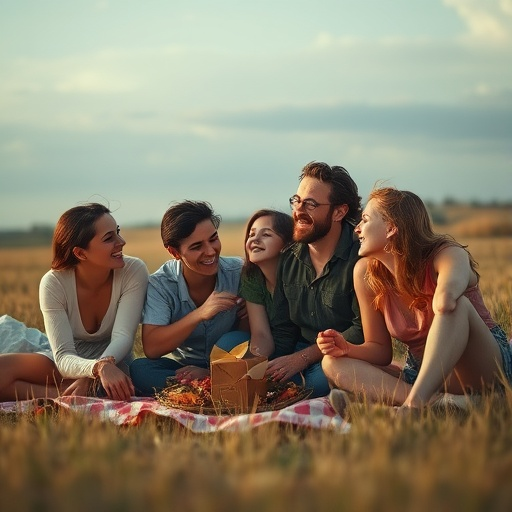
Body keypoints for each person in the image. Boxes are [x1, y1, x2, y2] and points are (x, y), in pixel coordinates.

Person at [318, 186, 512, 415]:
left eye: (365, 220)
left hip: (481, 365)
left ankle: (411, 407)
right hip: (423, 373)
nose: (357, 229)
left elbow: (446, 301)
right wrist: (348, 348)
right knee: (331, 363)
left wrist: (419, 281)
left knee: (456, 305)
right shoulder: (366, 274)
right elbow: (380, 351)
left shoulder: (447, 255)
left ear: (391, 228)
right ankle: (444, 404)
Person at [0, 203, 149, 402]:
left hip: (115, 360)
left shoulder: (133, 270)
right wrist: (95, 370)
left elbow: (123, 337)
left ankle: (82, 393)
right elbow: (62, 355)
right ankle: (68, 395)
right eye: (109, 238)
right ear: (80, 253)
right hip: (70, 362)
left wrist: (102, 368)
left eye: (118, 232)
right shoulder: (54, 283)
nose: (121, 241)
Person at [129, 200, 249, 396]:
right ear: (174, 252)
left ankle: (201, 387)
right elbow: (151, 348)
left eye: (213, 239)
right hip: (184, 367)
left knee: (231, 340)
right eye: (196, 246)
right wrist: (200, 314)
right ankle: (212, 387)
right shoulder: (161, 284)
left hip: (231, 361)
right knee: (140, 369)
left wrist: (250, 313)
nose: (210, 251)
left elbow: (248, 338)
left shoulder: (239, 272)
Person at [268, 161, 365, 398]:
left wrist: (302, 359)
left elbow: (361, 330)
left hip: (346, 356)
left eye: (310, 203)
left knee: (312, 387)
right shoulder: (288, 259)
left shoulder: (360, 259)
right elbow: (284, 328)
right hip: (299, 352)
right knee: (271, 387)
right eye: (296, 200)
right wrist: (272, 367)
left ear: (339, 212)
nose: (299, 210)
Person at [238, 209, 294, 359]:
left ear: (287, 244)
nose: (255, 240)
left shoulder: (298, 277)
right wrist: (245, 367)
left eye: (266, 234)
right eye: (251, 234)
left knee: (317, 380)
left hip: (305, 352)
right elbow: (261, 334)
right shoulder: (252, 276)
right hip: (273, 350)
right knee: (229, 342)